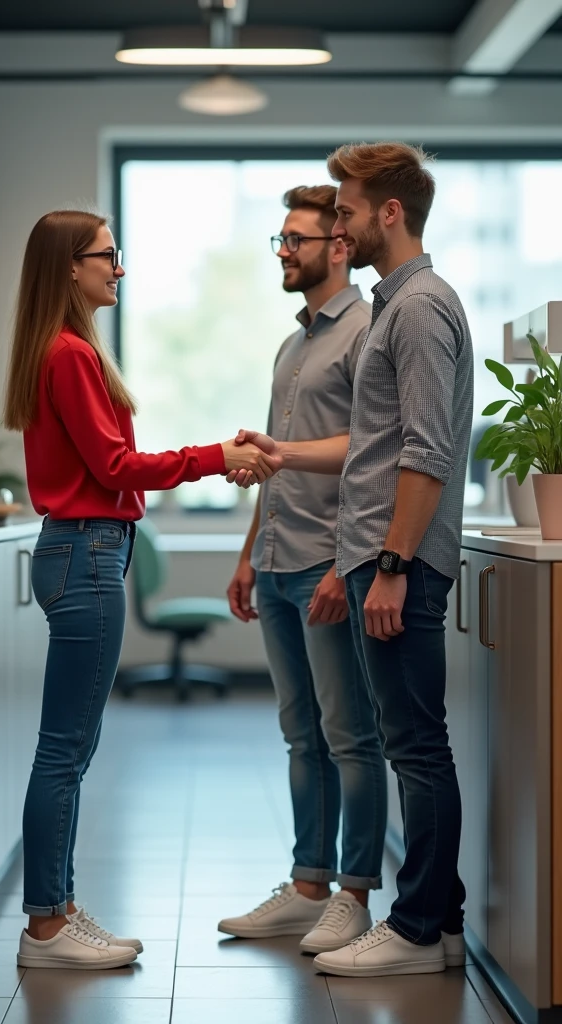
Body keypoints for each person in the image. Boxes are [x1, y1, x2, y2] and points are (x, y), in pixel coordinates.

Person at [2, 210, 278, 971]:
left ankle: (53, 910)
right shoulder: (68, 355)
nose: (118, 269)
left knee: (70, 749)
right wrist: (216, 457)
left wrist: (212, 457)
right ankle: (46, 930)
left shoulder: (68, 350)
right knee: (65, 752)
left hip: (87, 552)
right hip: (86, 552)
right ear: (69, 267)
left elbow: (110, 465)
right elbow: (117, 468)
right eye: (107, 256)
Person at [231, 142, 474, 978]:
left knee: (410, 746)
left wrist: (394, 563)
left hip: (393, 561)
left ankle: (410, 929)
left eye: (346, 211)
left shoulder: (415, 308)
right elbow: (377, 447)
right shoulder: (398, 303)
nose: (339, 226)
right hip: (369, 555)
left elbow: (427, 450)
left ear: (389, 213)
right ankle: (435, 925)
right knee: (408, 742)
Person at [217, 186, 387, 954]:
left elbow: (373, 457)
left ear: (338, 247)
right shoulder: (293, 345)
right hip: (279, 560)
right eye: (280, 240)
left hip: (330, 563)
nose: (283, 251)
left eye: (296, 239)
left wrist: (345, 564)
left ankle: (354, 896)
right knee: (300, 735)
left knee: (350, 736)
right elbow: (275, 464)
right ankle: (308, 884)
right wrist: (251, 553)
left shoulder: (366, 332)